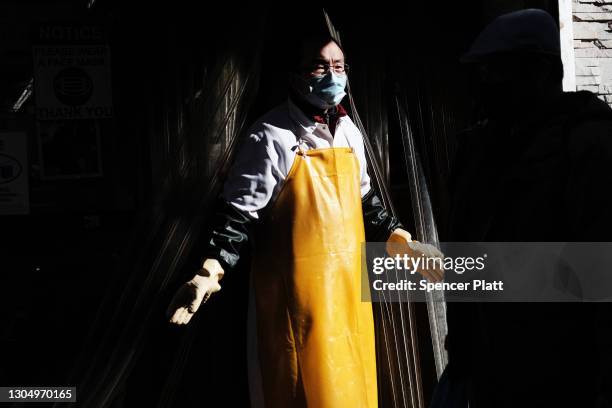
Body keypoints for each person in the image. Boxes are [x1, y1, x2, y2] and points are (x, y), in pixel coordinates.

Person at [166, 30, 442, 408]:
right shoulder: (270, 137)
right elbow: (237, 217)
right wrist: (209, 272)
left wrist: (399, 238)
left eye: (339, 66)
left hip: (348, 297)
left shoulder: (349, 132)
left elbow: (364, 198)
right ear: (295, 76)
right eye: (319, 67)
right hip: (295, 303)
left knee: (353, 387)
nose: (332, 75)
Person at [442, 9, 612, 408]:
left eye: (496, 71)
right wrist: (465, 340)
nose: (484, 85)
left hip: (563, 368)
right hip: (495, 366)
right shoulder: (482, 149)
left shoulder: (587, 145)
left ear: (537, 72)